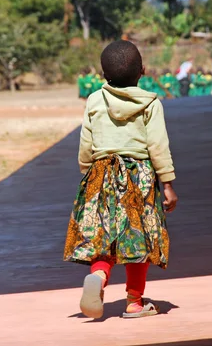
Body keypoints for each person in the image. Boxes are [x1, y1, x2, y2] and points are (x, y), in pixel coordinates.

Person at [63, 40, 178, 319]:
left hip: (101, 172)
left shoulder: (93, 100)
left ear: (103, 75)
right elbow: (158, 145)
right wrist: (168, 183)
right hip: (139, 177)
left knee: (103, 235)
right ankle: (134, 302)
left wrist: (87, 172)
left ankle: (100, 276)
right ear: (143, 71)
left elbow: (85, 144)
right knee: (137, 239)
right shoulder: (151, 102)